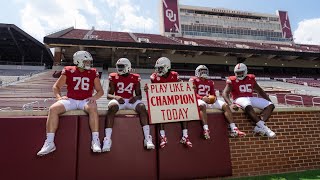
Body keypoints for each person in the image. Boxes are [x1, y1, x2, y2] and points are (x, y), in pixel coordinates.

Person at [37, 51, 104, 156]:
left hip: (85, 100)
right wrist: (59, 97)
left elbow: (100, 91)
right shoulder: (69, 70)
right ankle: (49, 142)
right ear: (78, 61)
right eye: (86, 61)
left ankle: (95, 141)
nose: (88, 64)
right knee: (53, 109)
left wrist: (94, 97)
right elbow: (56, 86)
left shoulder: (93, 72)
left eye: (88, 62)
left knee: (93, 107)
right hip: (71, 100)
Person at [102, 58, 155, 152]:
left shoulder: (135, 77)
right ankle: (107, 139)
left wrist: (135, 98)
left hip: (130, 100)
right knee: (112, 107)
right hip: (119, 100)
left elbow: (139, 95)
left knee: (142, 107)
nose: (119, 68)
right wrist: (116, 97)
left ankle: (147, 138)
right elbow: (108, 95)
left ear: (128, 67)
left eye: (121, 66)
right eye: (118, 66)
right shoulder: (113, 76)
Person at [189, 65, 246, 139]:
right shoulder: (193, 80)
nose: (203, 72)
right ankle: (206, 129)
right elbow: (191, 93)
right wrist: (202, 98)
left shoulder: (210, 82)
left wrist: (213, 98)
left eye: (205, 71)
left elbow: (213, 94)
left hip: (208, 100)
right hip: (199, 99)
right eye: (201, 71)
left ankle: (234, 128)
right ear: (197, 72)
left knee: (225, 105)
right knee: (202, 105)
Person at [148, 57, 192, 148]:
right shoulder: (154, 77)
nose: (158, 70)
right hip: (162, 102)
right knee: (160, 112)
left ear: (167, 67)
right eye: (158, 68)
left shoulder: (175, 75)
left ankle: (185, 135)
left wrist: (188, 87)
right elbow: (153, 91)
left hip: (173, 101)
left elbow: (181, 86)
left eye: (161, 68)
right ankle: (163, 136)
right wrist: (147, 89)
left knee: (183, 111)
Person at [222, 63, 276, 138]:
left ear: (245, 71)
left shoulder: (251, 78)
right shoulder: (232, 80)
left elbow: (260, 90)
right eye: (237, 73)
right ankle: (266, 129)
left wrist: (269, 100)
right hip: (239, 99)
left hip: (250, 97)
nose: (239, 74)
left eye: (241, 72)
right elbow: (225, 93)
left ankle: (259, 126)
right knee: (248, 105)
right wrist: (230, 104)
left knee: (270, 105)